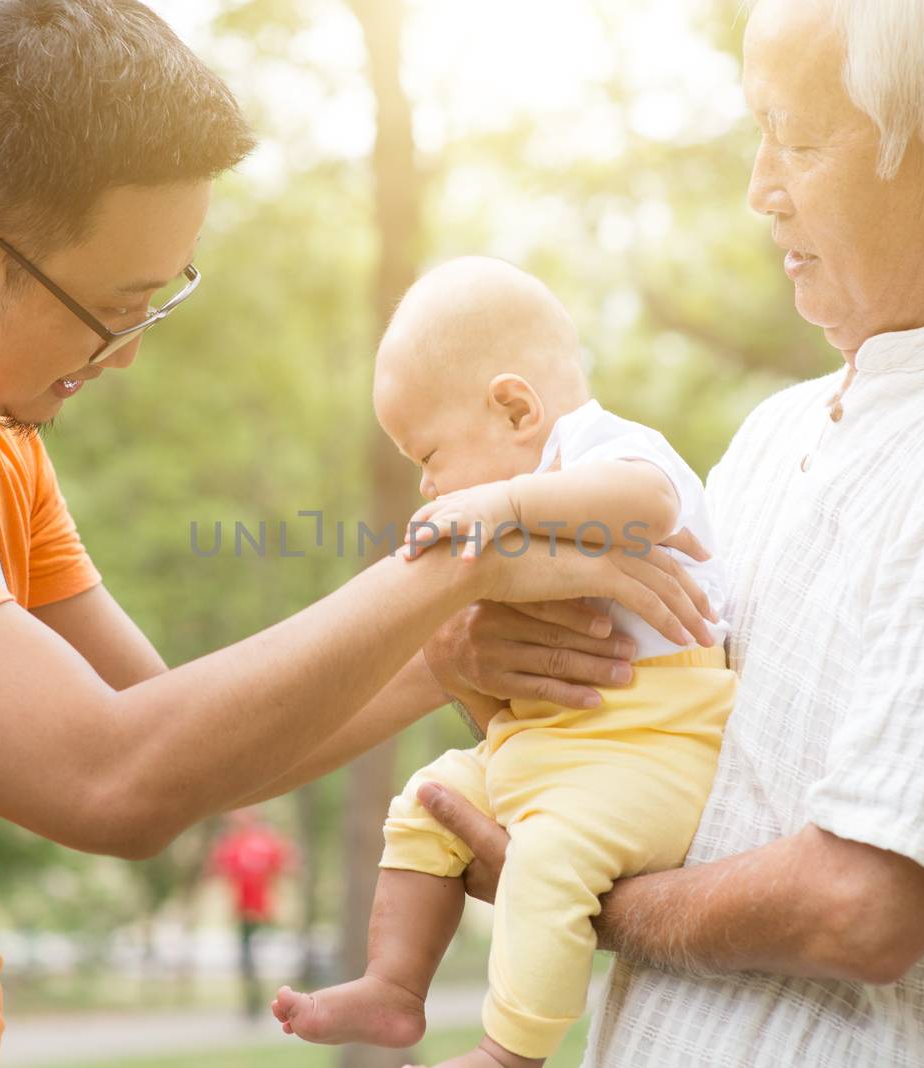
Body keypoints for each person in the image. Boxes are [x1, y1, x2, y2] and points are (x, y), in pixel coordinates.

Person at [0, 2, 710, 1063]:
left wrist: (444, 657)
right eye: (116, 306)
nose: (129, 351)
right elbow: (112, 784)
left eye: (159, 300)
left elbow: (179, 745)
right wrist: (459, 557)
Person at [409, 0, 924, 1064]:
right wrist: (482, 654)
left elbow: (864, 906)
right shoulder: (775, 435)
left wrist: (569, 894)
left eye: (795, 138)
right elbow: (662, 737)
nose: (760, 188)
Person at [271, 258, 734, 1068]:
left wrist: (503, 507)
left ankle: (510, 1053)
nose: (427, 486)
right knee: (426, 800)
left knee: (548, 861)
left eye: (431, 454)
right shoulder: (531, 504)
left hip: (650, 747)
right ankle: (393, 984)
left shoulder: (608, 448)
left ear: (515, 405)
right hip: (557, 745)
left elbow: (650, 503)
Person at [210, 810, 293, 1019]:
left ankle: (268, 1001)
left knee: (260, 958)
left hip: (262, 911)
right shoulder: (232, 844)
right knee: (247, 961)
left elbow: (282, 866)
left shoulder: (262, 843)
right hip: (243, 912)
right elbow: (222, 872)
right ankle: (253, 1002)